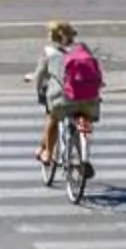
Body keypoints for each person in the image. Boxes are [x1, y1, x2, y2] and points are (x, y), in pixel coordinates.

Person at [32, 19, 100, 174]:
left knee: (52, 117)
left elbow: (40, 75)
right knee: (83, 120)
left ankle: (48, 153)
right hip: (89, 98)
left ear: (52, 36)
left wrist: (37, 88)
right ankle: (84, 156)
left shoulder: (49, 52)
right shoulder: (82, 48)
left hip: (63, 99)